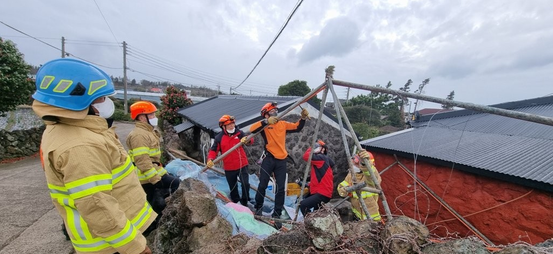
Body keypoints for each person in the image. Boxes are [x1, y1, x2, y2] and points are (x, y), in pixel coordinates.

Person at [32, 58, 155, 254]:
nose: (107, 103)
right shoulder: (80, 146)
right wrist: (136, 248)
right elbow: (99, 206)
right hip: (112, 244)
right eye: (101, 98)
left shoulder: (76, 130)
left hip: (117, 235)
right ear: (79, 99)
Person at [249, 102, 309, 224]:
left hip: (281, 160)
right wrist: (266, 122)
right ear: (265, 114)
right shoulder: (264, 126)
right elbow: (251, 129)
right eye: (271, 112)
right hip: (268, 158)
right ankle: (258, 208)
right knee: (262, 185)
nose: (275, 113)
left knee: (281, 188)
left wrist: (302, 118)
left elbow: (297, 127)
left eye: (275, 111)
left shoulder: (283, 124)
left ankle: (277, 213)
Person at [126, 101, 180, 228]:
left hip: (153, 170)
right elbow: (142, 161)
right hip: (145, 177)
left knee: (173, 184)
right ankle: (153, 227)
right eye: (151, 115)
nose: (154, 117)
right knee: (153, 202)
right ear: (141, 117)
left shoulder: (147, 132)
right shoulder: (139, 135)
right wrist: (155, 179)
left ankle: (159, 218)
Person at [206, 115, 251, 206]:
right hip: (229, 166)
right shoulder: (219, 137)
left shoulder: (239, 133)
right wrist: (210, 159)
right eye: (229, 124)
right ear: (223, 126)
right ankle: (236, 202)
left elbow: (250, 139)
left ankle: (245, 202)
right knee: (233, 187)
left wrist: (247, 140)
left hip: (242, 164)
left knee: (245, 184)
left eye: (233, 123)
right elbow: (213, 150)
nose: (232, 126)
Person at [337, 150, 382, 221]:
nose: (354, 165)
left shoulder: (370, 176)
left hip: (371, 219)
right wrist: (343, 190)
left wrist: (365, 165)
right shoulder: (351, 175)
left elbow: (372, 177)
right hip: (356, 215)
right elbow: (341, 187)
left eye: (357, 164)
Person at [300, 140, 335, 216]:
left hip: (322, 193)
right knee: (316, 213)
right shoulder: (324, 161)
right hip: (322, 192)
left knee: (303, 205)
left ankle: (309, 223)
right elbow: (317, 178)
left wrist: (313, 147)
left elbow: (306, 156)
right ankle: (312, 222)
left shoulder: (321, 158)